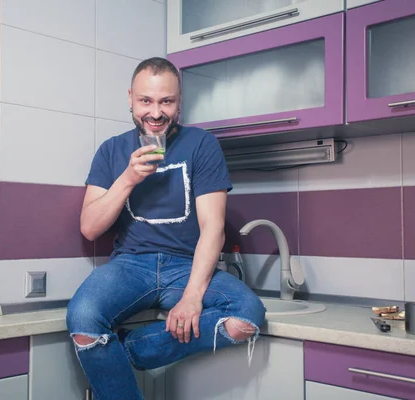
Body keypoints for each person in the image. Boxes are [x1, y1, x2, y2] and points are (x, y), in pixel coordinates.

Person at [66, 57, 266, 400]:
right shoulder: (112, 151)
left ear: (179, 101)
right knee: (83, 319)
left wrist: (191, 297)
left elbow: (213, 227)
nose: (155, 113)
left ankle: (130, 352)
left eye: (166, 102)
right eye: (146, 101)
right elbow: (89, 228)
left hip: (186, 265)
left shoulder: (201, 145)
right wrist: (128, 178)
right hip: (130, 265)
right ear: (130, 98)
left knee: (247, 317)